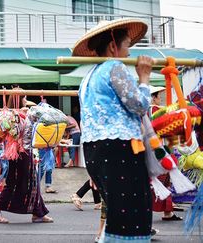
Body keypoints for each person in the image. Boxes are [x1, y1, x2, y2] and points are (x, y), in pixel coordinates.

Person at [74, 18, 153, 242]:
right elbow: (139, 105)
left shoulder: (88, 76)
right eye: (127, 45)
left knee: (117, 210)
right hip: (118, 147)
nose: (129, 53)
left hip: (93, 149)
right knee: (132, 210)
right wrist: (144, 78)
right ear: (113, 46)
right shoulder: (114, 67)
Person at [0, 88, 53, 224]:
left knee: (32, 181)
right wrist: (21, 116)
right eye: (24, 98)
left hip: (26, 150)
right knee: (15, 182)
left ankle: (38, 212)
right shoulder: (10, 115)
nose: (25, 100)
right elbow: (15, 134)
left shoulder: (23, 113)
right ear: (19, 99)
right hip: (17, 152)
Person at [148, 86, 183, 221]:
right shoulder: (157, 111)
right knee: (163, 180)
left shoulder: (144, 111)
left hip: (150, 149)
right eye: (158, 97)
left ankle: (167, 212)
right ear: (154, 97)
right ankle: (165, 211)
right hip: (160, 149)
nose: (160, 99)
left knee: (161, 180)